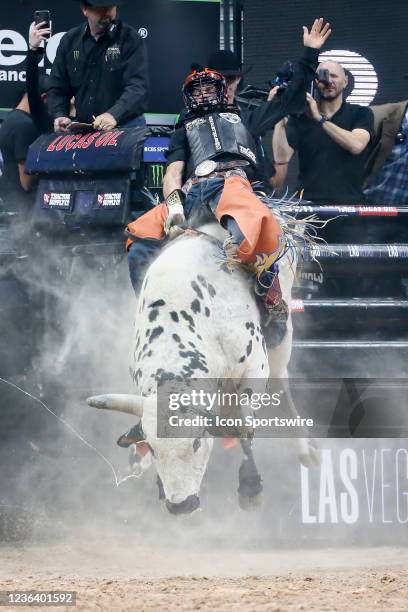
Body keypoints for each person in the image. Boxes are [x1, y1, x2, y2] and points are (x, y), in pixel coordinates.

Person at [125, 18, 331, 346]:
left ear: (224, 87)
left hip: (231, 186)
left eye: (212, 86)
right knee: (139, 240)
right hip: (193, 193)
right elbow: (173, 174)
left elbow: (289, 99)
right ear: (190, 95)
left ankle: (271, 296)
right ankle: (150, 307)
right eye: (199, 89)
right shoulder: (183, 129)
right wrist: (175, 212)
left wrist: (309, 55)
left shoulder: (248, 117)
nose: (205, 92)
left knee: (248, 231)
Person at [272, 60, 374, 204]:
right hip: (309, 207)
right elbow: (282, 158)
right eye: (323, 76)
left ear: (345, 81)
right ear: (315, 82)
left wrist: (319, 119)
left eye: (334, 76)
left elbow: (356, 145)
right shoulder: (302, 117)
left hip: (349, 206)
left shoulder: (360, 113)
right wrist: (279, 117)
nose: (328, 81)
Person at [48, 0, 149, 132]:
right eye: (100, 8)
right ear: (85, 9)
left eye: (110, 7)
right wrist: (59, 114)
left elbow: (137, 87)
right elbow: (58, 87)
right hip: (86, 129)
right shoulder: (70, 41)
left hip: (126, 127)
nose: (107, 13)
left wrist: (113, 114)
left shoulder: (131, 39)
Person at [205, 49, 278, 190]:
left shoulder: (248, 119)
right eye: (220, 80)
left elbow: (268, 182)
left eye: (230, 78)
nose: (226, 85)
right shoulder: (195, 119)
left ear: (238, 79)